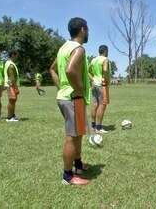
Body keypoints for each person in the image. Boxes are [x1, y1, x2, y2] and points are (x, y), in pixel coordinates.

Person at [49, 17, 91, 185]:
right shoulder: (78, 49)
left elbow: (52, 69)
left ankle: (78, 165)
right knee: (72, 137)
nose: (88, 32)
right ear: (82, 29)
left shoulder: (63, 48)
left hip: (68, 96)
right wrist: (78, 89)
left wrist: (61, 87)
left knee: (78, 133)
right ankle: (67, 176)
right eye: (87, 29)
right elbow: (70, 70)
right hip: (73, 98)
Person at [89, 45, 111, 134]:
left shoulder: (93, 60)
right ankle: (99, 127)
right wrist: (105, 80)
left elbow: (88, 71)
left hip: (94, 84)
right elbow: (105, 70)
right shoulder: (105, 59)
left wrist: (93, 79)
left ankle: (93, 126)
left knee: (95, 104)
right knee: (102, 105)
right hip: (102, 85)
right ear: (105, 51)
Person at [4, 50, 20, 122]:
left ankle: (12, 115)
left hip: (11, 85)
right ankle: (9, 117)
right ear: (13, 55)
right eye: (17, 55)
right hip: (11, 85)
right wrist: (15, 87)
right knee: (12, 100)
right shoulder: (10, 65)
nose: (17, 57)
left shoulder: (10, 63)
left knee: (13, 100)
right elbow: (11, 77)